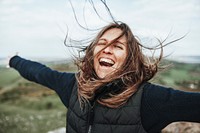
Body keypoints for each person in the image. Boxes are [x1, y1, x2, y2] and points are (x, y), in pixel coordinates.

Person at [8, 22, 200, 133]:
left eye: (118, 46)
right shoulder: (73, 86)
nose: (107, 49)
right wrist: (14, 60)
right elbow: (40, 73)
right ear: (93, 52)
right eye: (102, 43)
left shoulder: (148, 99)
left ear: (130, 59)